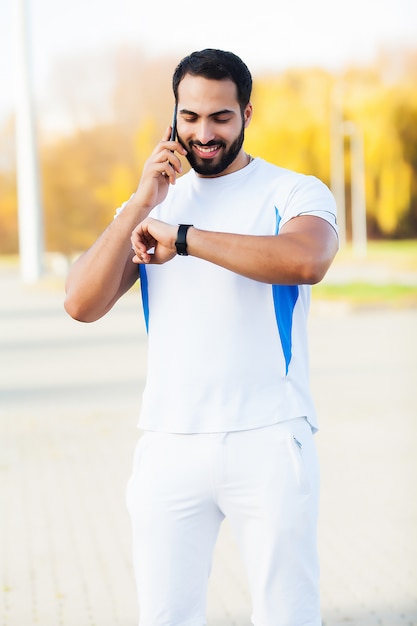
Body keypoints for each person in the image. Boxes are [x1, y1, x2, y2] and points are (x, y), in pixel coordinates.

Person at [65, 48, 338, 626]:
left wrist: (184, 236)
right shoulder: (153, 204)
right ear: (173, 118)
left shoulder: (294, 191)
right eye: (190, 118)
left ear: (246, 114)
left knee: (287, 616)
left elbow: (305, 260)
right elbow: (80, 303)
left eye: (220, 117)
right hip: (169, 443)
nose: (204, 133)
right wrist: (143, 201)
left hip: (268, 437)